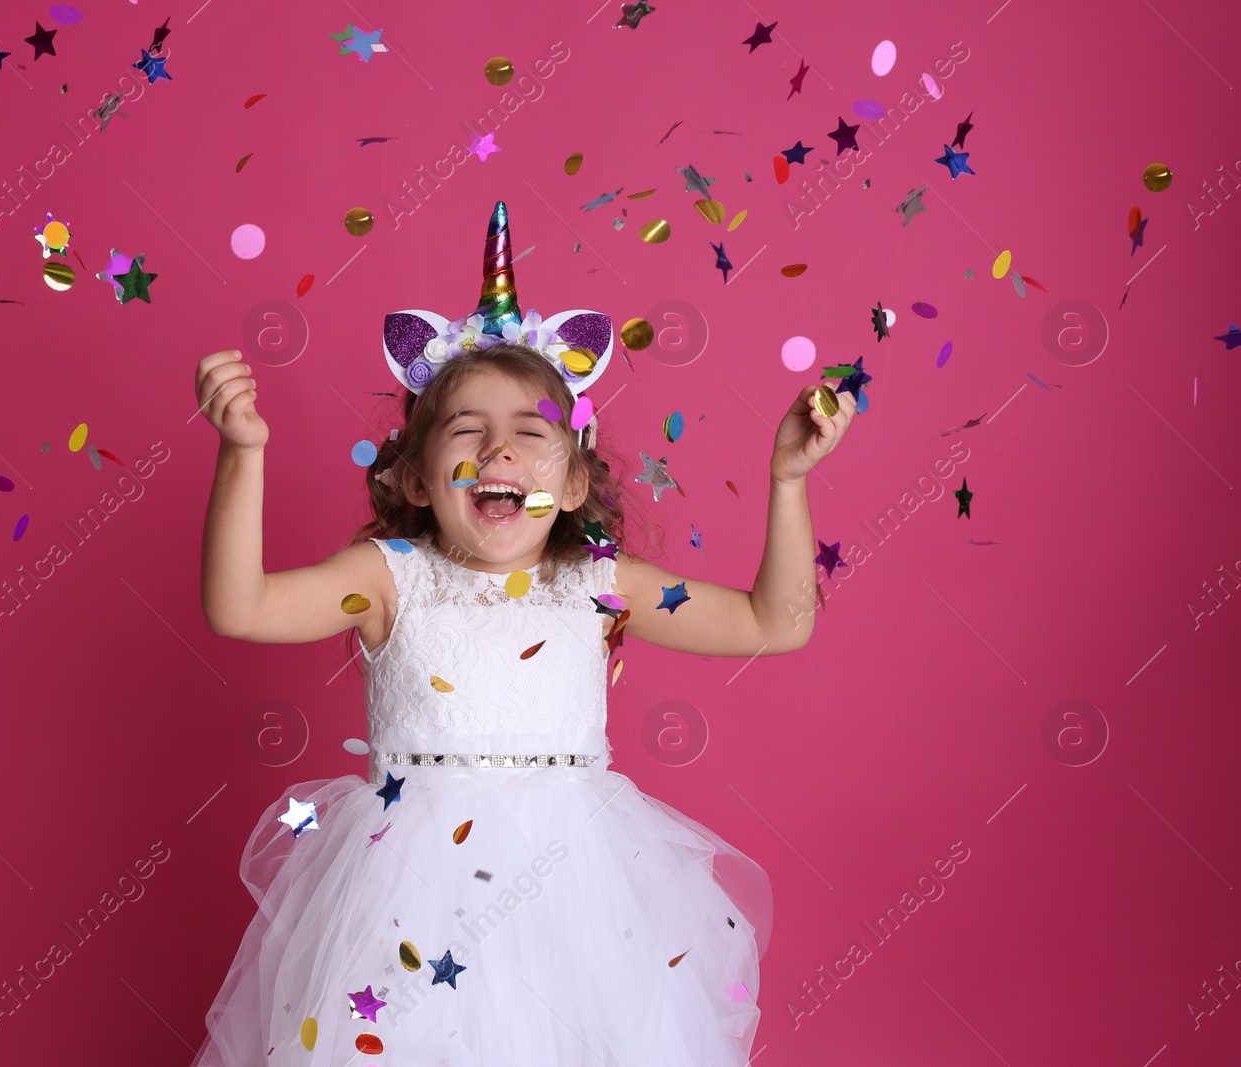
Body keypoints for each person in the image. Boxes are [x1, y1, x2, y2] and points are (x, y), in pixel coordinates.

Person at [192, 201, 856, 1065]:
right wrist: (242, 453)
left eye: (532, 435)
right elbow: (238, 606)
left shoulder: (601, 586)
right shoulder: (389, 580)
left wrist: (788, 482)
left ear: (575, 481)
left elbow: (777, 622)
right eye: (467, 431)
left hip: (576, 904)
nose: (498, 452)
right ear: (415, 478)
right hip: (407, 909)